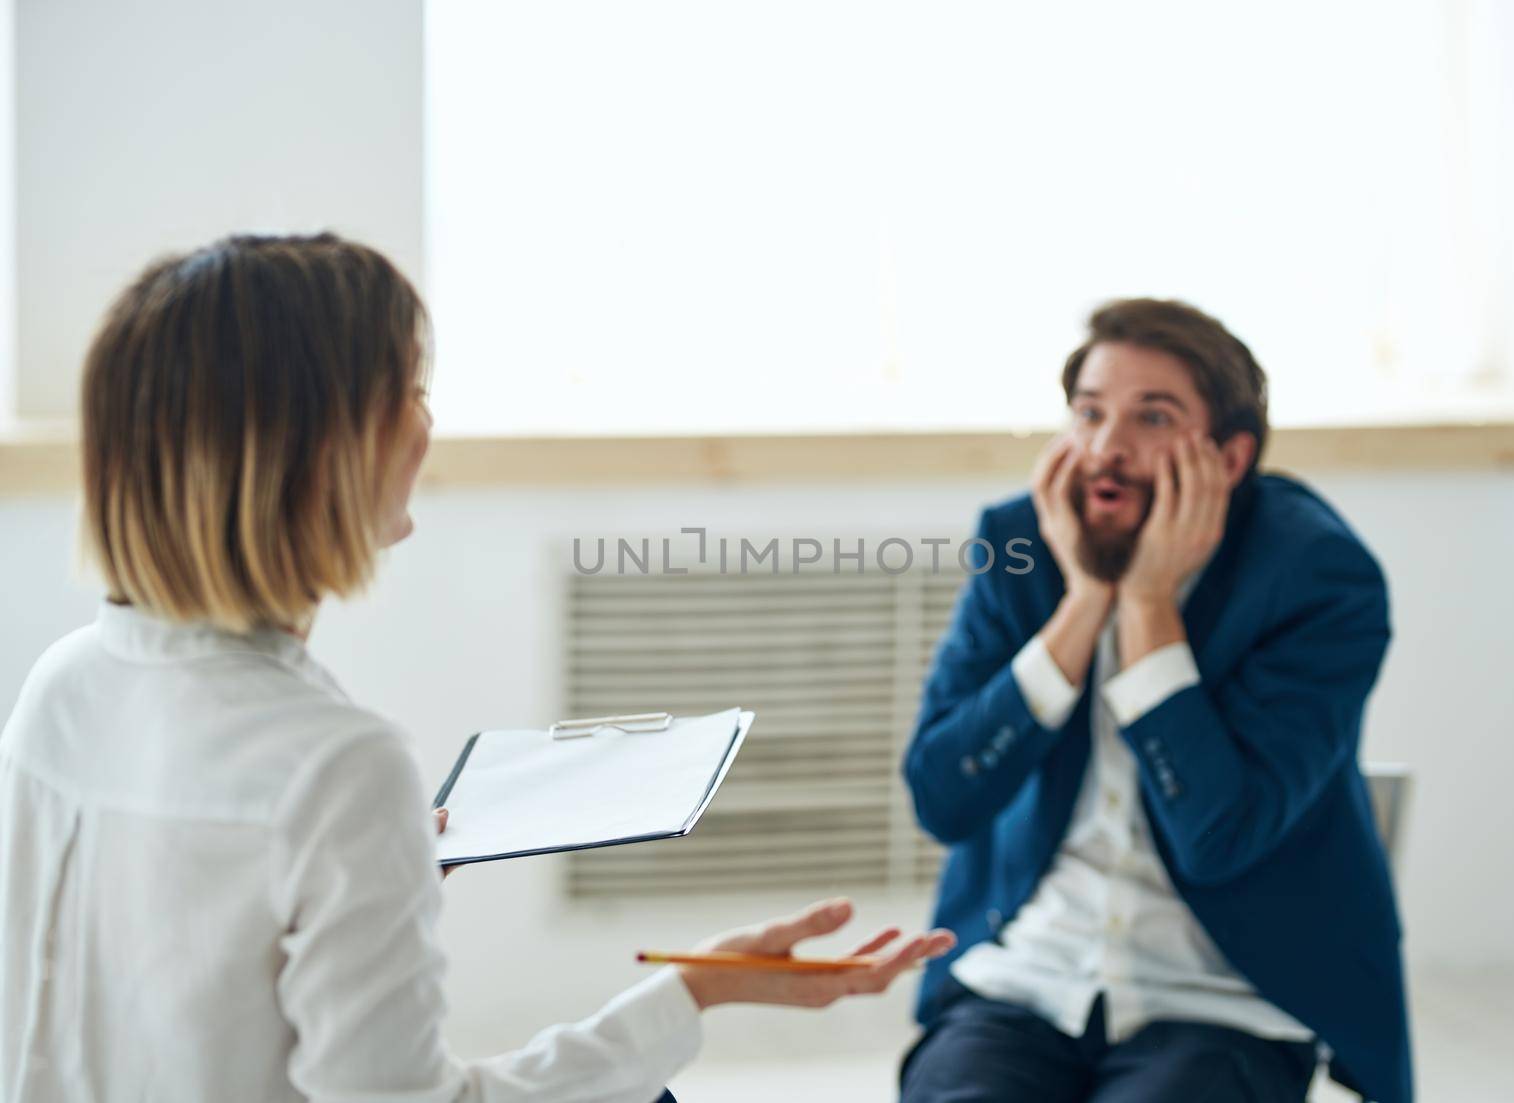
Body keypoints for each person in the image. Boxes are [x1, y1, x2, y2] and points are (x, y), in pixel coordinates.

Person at [0, 233, 955, 1103]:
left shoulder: (66, 683)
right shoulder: (338, 768)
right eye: (412, 391)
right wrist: (692, 994)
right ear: (324, 452)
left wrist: (387, 866)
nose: (427, 426)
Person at [899, 299, 1411, 1103]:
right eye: (1090, 413)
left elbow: (1219, 836)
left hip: (1223, 996)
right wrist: (1084, 603)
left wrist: (1147, 607)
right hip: (1028, 974)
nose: (1106, 449)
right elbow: (942, 798)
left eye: (1152, 417)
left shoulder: (1318, 578)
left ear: (1230, 458)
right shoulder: (1020, 541)